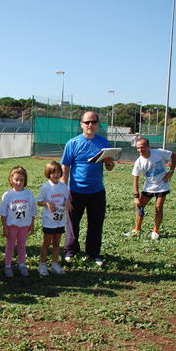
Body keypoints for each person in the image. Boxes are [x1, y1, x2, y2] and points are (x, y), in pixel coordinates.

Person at [61, 111, 115, 266]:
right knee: (72, 223)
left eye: (93, 122)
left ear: (98, 124)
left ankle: (93, 253)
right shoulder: (72, 143)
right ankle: (70, 251)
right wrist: (64, 190)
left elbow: (109, 167)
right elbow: (65, 166)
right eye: (87, 122)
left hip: (97, 191)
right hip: (76, 191)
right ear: (81, 124)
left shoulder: (104, 142)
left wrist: (110, 162)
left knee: (96, 223)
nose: (90, 125)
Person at [125, 138, 176, 240]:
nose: (140, 150)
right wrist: (136, 196)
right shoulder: (139, 162)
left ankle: (155, 231)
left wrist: (171, 171)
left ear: (148, 147)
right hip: (148, 187)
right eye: (138, 148)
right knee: (140, 208)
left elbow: (175, 156)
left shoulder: (158, 153)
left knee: (158, 207)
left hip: (162, 185)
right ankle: (137, 229)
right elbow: (135, 179)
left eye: (142, 147)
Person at [0, 166, 38, 278]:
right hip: (12, 225)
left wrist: (32, 225)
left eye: (21, 180)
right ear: (11, 180)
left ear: (25, 181)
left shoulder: (29, 194)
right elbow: (3, 213)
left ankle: (22, 265)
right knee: (10, 245)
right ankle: (8, 266)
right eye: (16, 179)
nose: (19, 182)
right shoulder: (8, 195)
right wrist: (5, 227)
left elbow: (32, 211)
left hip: (24, 225)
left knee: (22, 245)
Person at [37, 161, 70, 275]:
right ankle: (42, 265)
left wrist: (67, 201)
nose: (56, 175)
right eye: (53, 172)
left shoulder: (63, 186)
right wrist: (47, 203)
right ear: (48, 173)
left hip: (60, 220)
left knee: (56, 243)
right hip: (48, 221)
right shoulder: (45, 187)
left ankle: (55, 265)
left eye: (58, 172)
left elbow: (66, 197)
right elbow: (39, 202)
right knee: (46, 243)